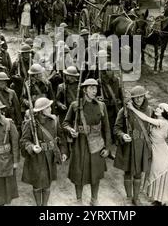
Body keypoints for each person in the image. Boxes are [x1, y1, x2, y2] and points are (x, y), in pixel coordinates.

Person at [62, 78, 111, 206]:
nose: (94, 91)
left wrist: (107, 147)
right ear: (84, 90)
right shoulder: (75, 106)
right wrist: (70, 130)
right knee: (78, 173)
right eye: (91, 88)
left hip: (96, 144)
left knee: (96, 173)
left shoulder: (101, 106)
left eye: (95, 88)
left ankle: (94, 199)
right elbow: (65, 123)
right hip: (80, 144)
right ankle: (78, 200)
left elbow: (106, 128)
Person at [20, 97, 68, 206]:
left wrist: (63, 152)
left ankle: (44, 205)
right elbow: (24, 141)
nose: (50, 109)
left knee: (47, 184)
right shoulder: (30, 123)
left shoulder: (54, 121)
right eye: (48, 107)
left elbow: (61, 138)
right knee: (37, 184)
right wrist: (32, 147)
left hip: (50, 156)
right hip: (36, 158)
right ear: (41, 111)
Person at [113, 86, 153, 206]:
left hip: (142, 146)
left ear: (144, 96)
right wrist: (122, 135)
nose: (139, 99)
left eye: (141, 96)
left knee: (138, 173)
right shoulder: (124, 110)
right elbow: (116, 128)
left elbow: (154, 126)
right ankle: (128, 197)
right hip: (129, 146)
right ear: (132, 99)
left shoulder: (150, 110)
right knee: (128, 172)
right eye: (136, 97)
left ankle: (136, 198)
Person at [130, 102, 168, 206]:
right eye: (158, 107)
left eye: (161, 109)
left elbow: (145, 118)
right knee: (154, 173)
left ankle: (160, 201)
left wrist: (132, 108)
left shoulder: (163, 122)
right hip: (155, 150)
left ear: (165, 113)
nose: (157, 109)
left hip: (161, 152)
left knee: (158, 174)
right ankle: (157, 199)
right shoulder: (157, 121)